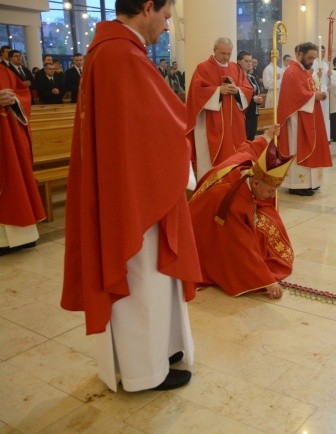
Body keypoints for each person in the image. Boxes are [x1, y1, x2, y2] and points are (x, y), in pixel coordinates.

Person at [61, 0, 202, 393]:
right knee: (143, 279)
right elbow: (165, 126)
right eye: (167, 16)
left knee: (154, 279)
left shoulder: (110, 51)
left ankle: (164, 349)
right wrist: (180, 151)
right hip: (136, 195)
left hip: (131, 184)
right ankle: (145, 371)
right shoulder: (122, 55)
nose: (167, 26)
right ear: (146, 7)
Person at [189, 125, 293, 299]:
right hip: (203, 232)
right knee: (262, 228)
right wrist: (267, 280)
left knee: (268, 214)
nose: (270, 196)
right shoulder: (235, 202)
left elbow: (249, 147)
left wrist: (267, 136)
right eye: (269, 191)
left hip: (213, 217)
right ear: (256, 184)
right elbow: (242, 246)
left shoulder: (248, 165)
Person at [186, 37, 253, 179]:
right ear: (214, 50)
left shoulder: (235, 68)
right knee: (211, 161)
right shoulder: (203, 68)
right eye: (223, 53)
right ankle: (210, 190)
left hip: (234, 122)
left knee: (236, 157)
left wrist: (237, 91)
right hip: (212, 122)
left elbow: (247, 88)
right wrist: (218, 91)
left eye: (229, 53)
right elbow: (196, 93)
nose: (226, 57)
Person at [0, 62, 46, 255]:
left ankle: (22, 237)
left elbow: (23, 92)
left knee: (13, 180)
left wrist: (14, 99)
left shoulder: (3, 70)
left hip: (6, 137)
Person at [277, 42, 331, 196]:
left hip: (308, 116)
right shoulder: (291, 72)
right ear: (299, 54)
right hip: (296, 121)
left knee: (312, 147)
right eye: (309, 58)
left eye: (313, 58)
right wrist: (315, 95)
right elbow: (296, 96)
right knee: (297, 148)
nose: (312, 61)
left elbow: (308, 90)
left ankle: (311, 183)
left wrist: (318, 93)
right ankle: (297, 184)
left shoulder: (305, 71)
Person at [237, 50, 263, 140]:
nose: (249, 63)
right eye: (246, 61)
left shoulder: (251, 77)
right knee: (245, 139)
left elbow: (256, 92)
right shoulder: (237, 77)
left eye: (250, 61)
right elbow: (238, 95)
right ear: (239, 61)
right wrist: (253, 99)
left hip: (254, 112)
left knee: (251, 138)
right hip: (244, 113)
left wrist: (259, 100)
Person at [312, 45, 331, 140]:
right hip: (317, 90)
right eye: (321, 51)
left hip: (324, 89)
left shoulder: (325, 64)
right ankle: (318, 135)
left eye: (324, 51)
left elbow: (327, 80)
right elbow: (310, 75)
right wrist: (316, 75)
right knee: (319, 113)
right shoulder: (313, 63)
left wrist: (329, 75)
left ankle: (326, 136)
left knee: (325, 114)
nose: (323, 53)